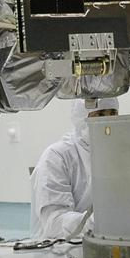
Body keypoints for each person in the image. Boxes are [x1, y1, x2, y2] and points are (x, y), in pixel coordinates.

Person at [28, 97, 118, 240]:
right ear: (82, 118)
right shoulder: (57, 156)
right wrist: (100, 221)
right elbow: (54, 224)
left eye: (112, 113)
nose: (107, 121)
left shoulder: (119, 153)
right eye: (99, 114)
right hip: (59, 252)